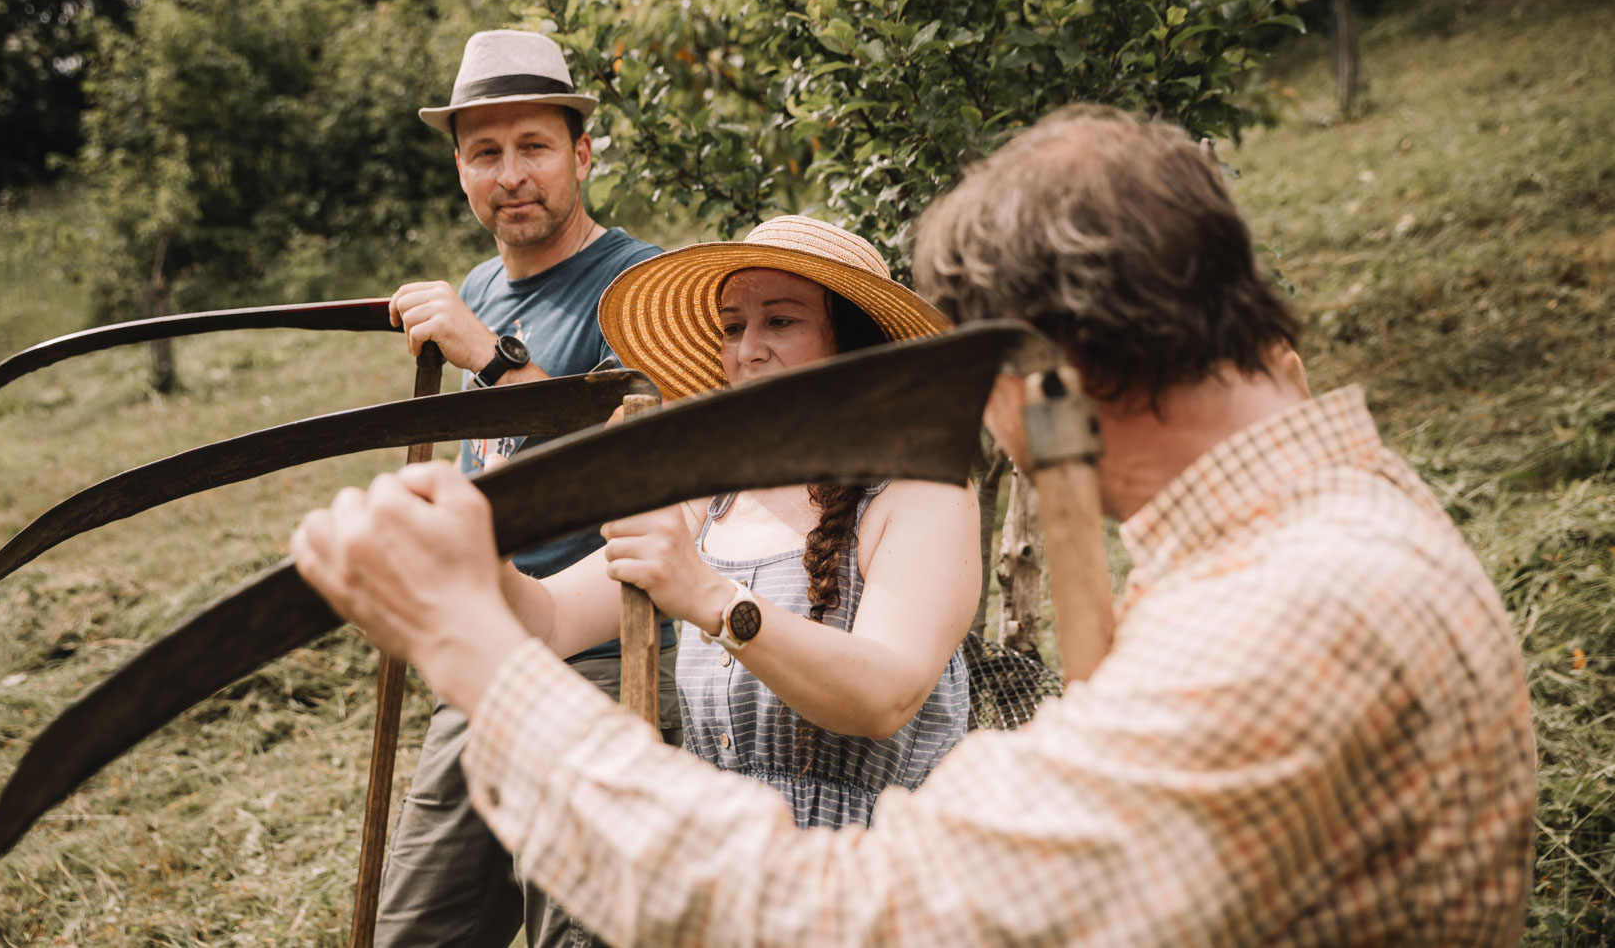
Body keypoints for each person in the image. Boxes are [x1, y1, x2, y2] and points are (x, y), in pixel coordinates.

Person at [293, 106, 1538, 945]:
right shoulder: (1320, 517)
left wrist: (473, 654)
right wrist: (481, 576)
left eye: (970, 375)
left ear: (1049, 368)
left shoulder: (1285, 615)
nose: (976, 418)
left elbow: (851, 914)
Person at [500, 215, 983, 829]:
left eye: (780, 321)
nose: (747, 349)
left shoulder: (923, 489)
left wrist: (711, 597)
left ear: (854, 349)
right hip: (732, 868)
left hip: (879, 868)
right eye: (733, 327)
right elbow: (547, 622)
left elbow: (884, 697)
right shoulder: (711, 496)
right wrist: (488, 544)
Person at [374, 29, 680, 948]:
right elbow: (492, 456)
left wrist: (493, 359)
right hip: (485, 648)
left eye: (534, 147)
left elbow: (650, 462)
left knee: (574, 933)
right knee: (414, 929)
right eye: (485, 153)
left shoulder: (638, 284)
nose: (510, 175)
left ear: (582, 155)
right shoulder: (479, 284)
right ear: (460, 171)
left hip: (601, 658)